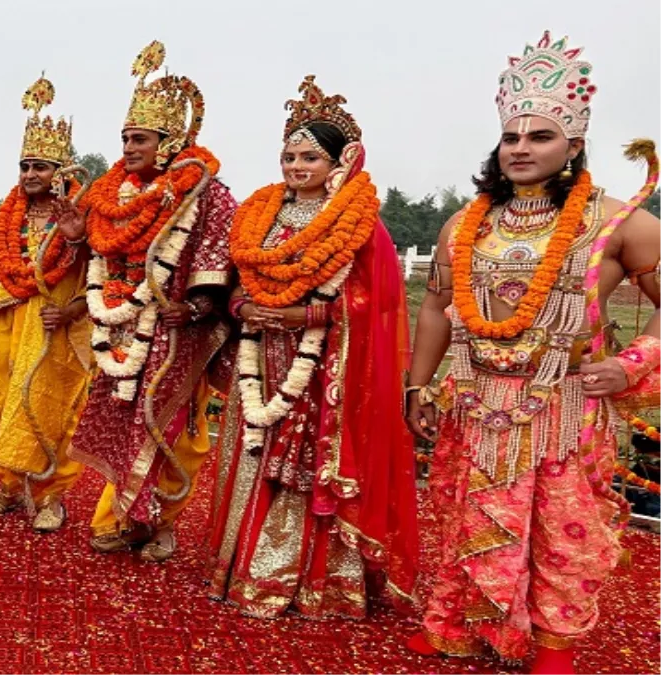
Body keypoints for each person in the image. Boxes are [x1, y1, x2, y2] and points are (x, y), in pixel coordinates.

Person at [404, 32, 661, 674]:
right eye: (510, 137)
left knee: (563, 526)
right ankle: (458, 622)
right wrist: (417, 385)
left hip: (563, 404)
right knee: (465, 513)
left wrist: (630, 364)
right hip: (474, 399)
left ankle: (553, 645)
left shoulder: (618, 222)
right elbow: (435, 307)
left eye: (540, 136)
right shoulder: (466, 223)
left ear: (574, 144)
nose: (520, 148)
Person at [204, 76, 419, 619]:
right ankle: (240, 566)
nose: (296, 167)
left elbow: (379, 301)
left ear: (338, 163)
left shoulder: (356, 221)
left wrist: (309, 315)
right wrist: (243, 309)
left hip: (323, 365)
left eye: (310, 157)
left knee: (303, 467)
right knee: (252, 454)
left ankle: (307, 580)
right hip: (260, 357)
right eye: (289, 156)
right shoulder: (259, 214)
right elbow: (235, 280)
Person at [63, 41, 237, 562]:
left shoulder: (206, 193)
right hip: (123, 327)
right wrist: (78, 238)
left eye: (138, 138)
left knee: (171, 432)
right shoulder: (114, 194)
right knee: (123, 425)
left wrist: (196, 309)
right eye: (124, 138)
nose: (128, 147)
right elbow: (108, 257)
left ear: (170, 141)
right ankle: (125, 519)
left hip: (179, 330)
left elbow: (221, 259)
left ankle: (164, 524)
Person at [0, 76, 92, 532]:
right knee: (4, 402)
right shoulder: (9, 213)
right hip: (11, 319)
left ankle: (52, 497)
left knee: (52, 409)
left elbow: (100, 273)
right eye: (25, 166)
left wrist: (72, 310)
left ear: (61, 171)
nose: (31, 174)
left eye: (41, 167)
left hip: (58, 325)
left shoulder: (81, 213)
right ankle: (9, 489)